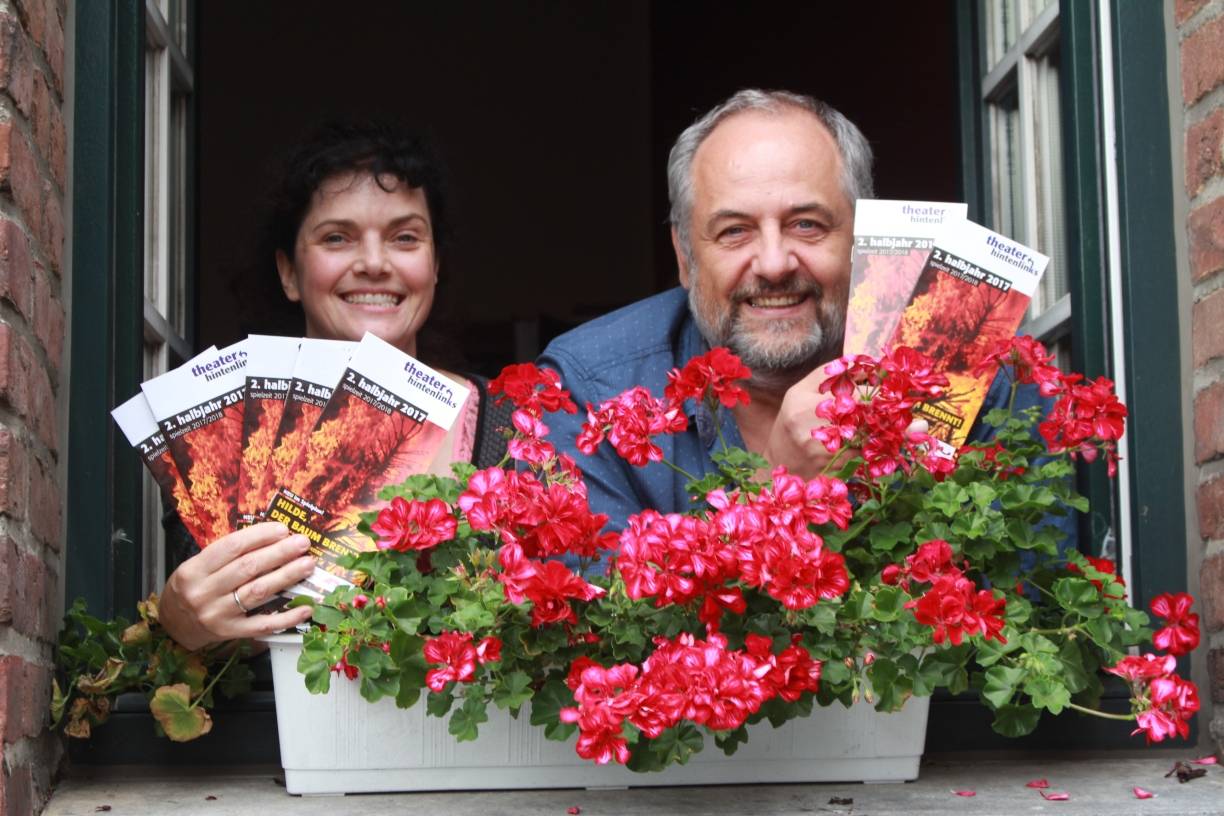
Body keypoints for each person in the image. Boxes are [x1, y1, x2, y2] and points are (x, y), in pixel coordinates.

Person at [538, 89, 1052, 527]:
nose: (775, 263)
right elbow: (602, 634)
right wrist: (777, 489)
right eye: (734, 231)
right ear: (685, 257)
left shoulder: (976, 378)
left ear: (866, 239)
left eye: (806, 224)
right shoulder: (589, 388)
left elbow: (1035, 619)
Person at [158, 122, 509, 650]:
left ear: (434, 266)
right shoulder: (223, 438)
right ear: (289, 273)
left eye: (405, 237)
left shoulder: (509, 426)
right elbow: (209, 651)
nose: (373, 263)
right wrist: (181, 625)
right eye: (337, 238)